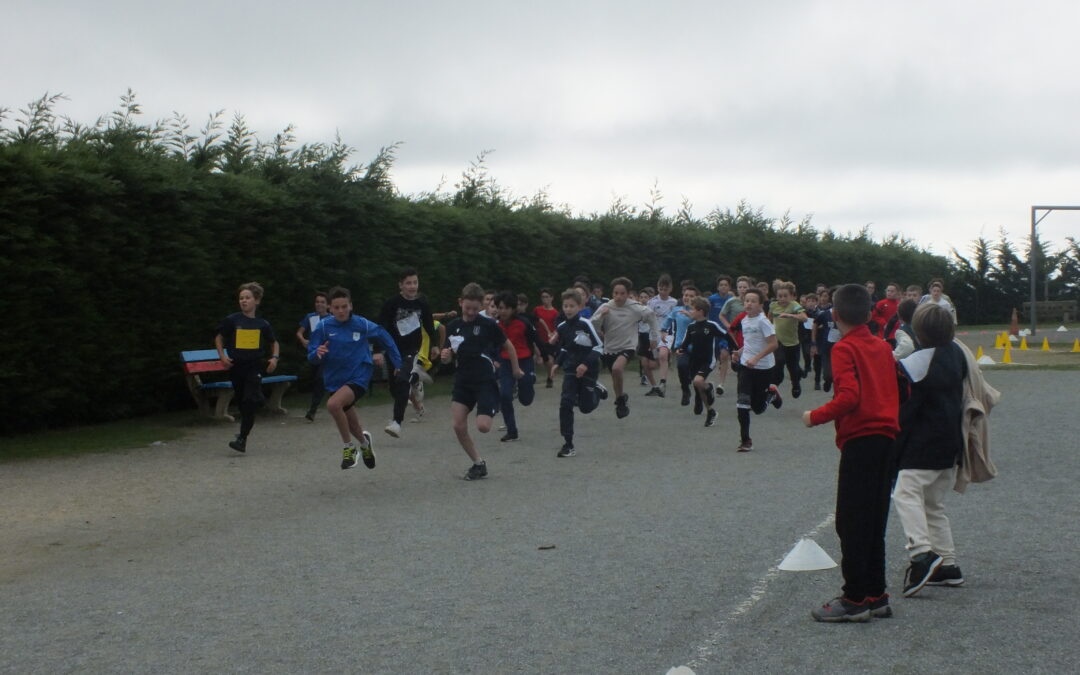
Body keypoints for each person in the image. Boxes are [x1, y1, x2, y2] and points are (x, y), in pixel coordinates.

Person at [802, 284, 900, 622]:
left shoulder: (845, 348)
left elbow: (849, 397)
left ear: (834, 315)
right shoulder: (882, 347)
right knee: (874, 519)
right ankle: (877, 592)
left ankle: (855, 597)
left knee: (851, 521)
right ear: (872, 313)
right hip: (887, 439)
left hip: (862, 439)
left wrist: (814, 416)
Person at [892, 303, 968, 597]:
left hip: (924, 444)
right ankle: (948, 564)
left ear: (919, 331)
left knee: (905, 493)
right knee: (933, 505)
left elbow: (907, 409)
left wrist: (895, 443)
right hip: (950, 441)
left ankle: (922, 554)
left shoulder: (917, 362)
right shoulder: (957, 354)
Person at [309, 286, 402, 470]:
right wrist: (317, 353)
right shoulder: (323, 327)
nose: (341, 311)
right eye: (336, 307)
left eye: (344, 306)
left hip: (359, 375)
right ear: (330, 308)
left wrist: (398, 363)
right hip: (335, 379)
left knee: (333, 405)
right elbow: (311, 355)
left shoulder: (362, 324)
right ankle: (365, 444)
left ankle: (349, 449)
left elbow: (386, 338)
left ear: (351, 305)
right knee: (350, 422)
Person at [441, 283, 522, 481]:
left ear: (481, 308)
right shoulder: (453, 327)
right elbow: (448, 356)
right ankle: (478, 463)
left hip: (484, 380)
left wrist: (515, 369)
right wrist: (445, 356)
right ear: (460, 303)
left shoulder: (487, 325)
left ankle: (494, 401)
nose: (470, 312)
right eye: (467, 308)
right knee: (458, 426)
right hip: (462, 381)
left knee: (483, 427)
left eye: (475, 309)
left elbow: (508, 346)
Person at [214, 282, 280, 454]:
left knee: (250, 399)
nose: (243, 301)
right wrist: (222, 356)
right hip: (237, 367)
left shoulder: (262, 324)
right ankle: (255, 404)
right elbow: (219, 338)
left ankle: (242, 438)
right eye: (241, 298)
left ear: (256, 300)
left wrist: (274, 358)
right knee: (244, 404)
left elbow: (274, 342)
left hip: (254, 366)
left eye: (247, 298)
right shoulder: (232, 320)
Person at [377, 268, 439, 439]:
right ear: (401, 285)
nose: (412, 286)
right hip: (393, 349)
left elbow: (428, 324)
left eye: (415, 282)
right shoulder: (391, 304)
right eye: (408, 283)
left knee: (402, 380)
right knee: (395, 387)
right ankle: (416, 378)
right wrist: (378, 351)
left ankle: (397, 422)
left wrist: (434, 345)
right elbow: (380, 327)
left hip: (411, 349)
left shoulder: (422, 303)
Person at [591, 277, 659, 419]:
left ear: (628, 294)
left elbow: (652, 316)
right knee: (615, 376)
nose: (619, 297)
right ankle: (621, 400)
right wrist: (601, 316)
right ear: (612, 294)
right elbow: (593, 326)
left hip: (628, 346)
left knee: (617, 368)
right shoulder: (606, 307)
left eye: (622, 293)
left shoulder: (635, 307)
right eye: (616, 293)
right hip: (609, 347)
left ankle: (620, 400)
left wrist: (654, 338)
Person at [552, 288, 608, 457]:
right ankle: (568, 443)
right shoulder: (561, 327)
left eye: (572, 306)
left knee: (585, 407)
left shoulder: (586, 324)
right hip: (570, 370)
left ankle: (597, 390)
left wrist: (585, 364)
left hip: (589, 369)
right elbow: (563, 347)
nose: (568, 309)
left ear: (580, 306)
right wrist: (556, 363)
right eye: (565, 306)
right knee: (566, 403)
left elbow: (599, 346)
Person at [732, 288, 780, 452]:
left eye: (753, 301)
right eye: (746, 300)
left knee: (758, 408)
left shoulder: (763, 321)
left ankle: (771, 394)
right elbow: (751, 341)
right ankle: (746, 440)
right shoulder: (744, 320)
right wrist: (740, 352)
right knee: (742, 403)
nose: (749, 303)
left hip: (763, 367)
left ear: (760, 305)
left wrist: (757, 358)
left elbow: (774, 344)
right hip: (746, 366)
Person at [494, 291, 540, 442]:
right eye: (500, 308)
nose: (503, 311)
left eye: (506, 308)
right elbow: (490, 344)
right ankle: (512, 431)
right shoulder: (495, 325)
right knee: (505, 395)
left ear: (513, 309)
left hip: (525, 360)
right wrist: (494, 358)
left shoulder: (523, 323)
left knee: (526, 400)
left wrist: (543, 356)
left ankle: (527, 384)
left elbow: (536, 340)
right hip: (505, 363)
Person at [676, 297, 728, 427]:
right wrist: (680, 350)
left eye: (692, 309)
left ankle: (709, 387)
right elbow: (686, 342)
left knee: (698, 381)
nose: (690, 311)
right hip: (694, 360)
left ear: (700, 311)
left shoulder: (711, 325)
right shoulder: (691, 326)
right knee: (698, 386)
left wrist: (735, 349)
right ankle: (711, 411)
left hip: (708, 360)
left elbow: (726, 335)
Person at [769, 281, 808, 398]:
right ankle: (774, 385)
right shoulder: (773, 305)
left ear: (791, 296)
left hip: (792, 343)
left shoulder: (794, 305)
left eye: (786, 296)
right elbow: (769, 319)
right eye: (780, 296)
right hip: (778, 342)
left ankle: (796, 384)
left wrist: (791, 315)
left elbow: (804, 318)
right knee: (779, 361)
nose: (782, 299)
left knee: (793, 368)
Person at [296, 291, 331, 422]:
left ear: (328, 305)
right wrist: (303, 340)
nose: (319, 304)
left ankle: (312, 410)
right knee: (317, 380)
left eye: (322, 302)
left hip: (327, 355)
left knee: (320, 379)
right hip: (313, 354)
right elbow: (299, 332)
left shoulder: (331, 319)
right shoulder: (310, 317)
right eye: (317, 302)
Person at [662, 285, 699, 407]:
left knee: (696, 375)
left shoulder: (700, 311)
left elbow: (704, 322)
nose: (687, 297)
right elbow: (668, 319)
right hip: (681, 345)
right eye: (686, 295)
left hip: (697, 347)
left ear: (696, 298)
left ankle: (699, 397)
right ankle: (685, 390)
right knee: (682, 366)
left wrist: (691, 315)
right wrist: (663, 330)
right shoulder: (677, 310)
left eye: (691, 296)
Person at [647, 274, 681, 395]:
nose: (663, 292)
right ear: (657, 288)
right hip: (654, 333)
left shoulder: (674, 302)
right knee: (652, 362)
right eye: (661, 289)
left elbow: (677, 320)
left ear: (670, 288)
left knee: (662, 355)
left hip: (668, 333)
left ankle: (663, 382)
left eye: (665, 289)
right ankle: (655, 382)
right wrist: (651, 336)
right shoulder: (652, 302)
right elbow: (649, 319)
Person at [812, 288, 840, 392]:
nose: (836, 298)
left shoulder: (847, 314)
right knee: (828, 375)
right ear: (831, 298)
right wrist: (814, 343)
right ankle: (827, 381)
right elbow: (815, 324)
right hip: (827, 349)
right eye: (834, 296)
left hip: (843, 349)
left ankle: (837, 395)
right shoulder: (826, 314)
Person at [636, 287, 662, 393]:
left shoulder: (651, 309)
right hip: (642, 336)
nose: (643, 299)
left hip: (652, 336)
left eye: (645, 297)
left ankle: (664, 362)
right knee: (644, 364)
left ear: (649, 298)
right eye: (641, 297)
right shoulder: (636, 309)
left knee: (653, 363)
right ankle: (654, 386)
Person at [533, 288, 560, 388]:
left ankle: (550, 377)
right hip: (538, 338)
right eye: (543, 297)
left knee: (549, 361)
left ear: (552, 298)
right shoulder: (537, 309)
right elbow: (533, 322)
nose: (545, 299)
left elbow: (557, 327)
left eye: (547, 297)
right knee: (537, 359)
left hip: (549, 340)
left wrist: (553, 335)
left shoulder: (555, 312)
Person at [798, 292, 820, 384]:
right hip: (805, 338)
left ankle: (817, 381)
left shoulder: (819, 313)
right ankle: (807, 366)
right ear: (806, 303)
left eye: (813, 301)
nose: (811, 303)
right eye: (809, 301)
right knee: (806, 354)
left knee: (817, 359)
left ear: (816, 303)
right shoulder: (802, 312)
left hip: (817, 338)